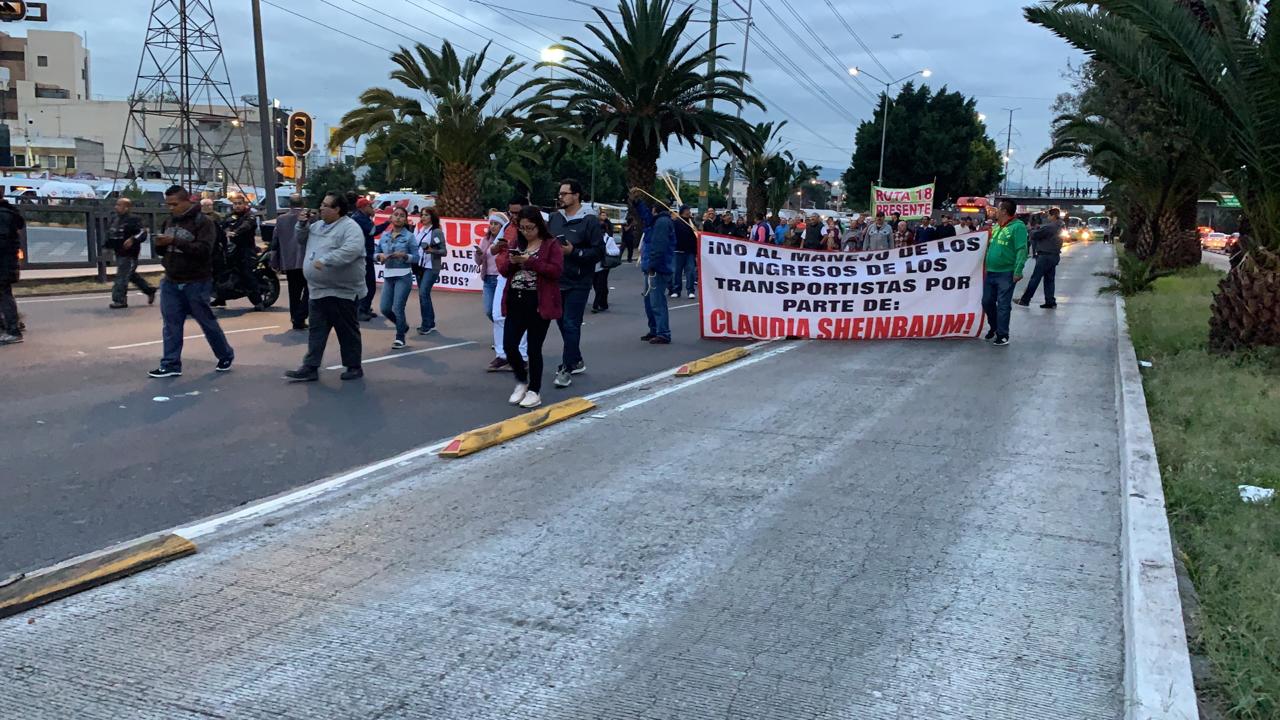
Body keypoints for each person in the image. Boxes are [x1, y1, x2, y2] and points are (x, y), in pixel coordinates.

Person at [148, 185, 234, 377]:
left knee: (207, 322)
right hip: (171, 280)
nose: (171, 208)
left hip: (196, 281)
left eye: (174, 204)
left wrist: (174, 241)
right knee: (171, 325)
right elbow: (165, 251)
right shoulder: (169, 221)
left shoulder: (203, 222)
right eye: (168, 204)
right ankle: (170, 364)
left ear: (187, 201)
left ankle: (225, 354)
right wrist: (161, 245)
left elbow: (204, 250)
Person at [284, 192, 366, 382]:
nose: (321, 208)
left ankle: (353, 366)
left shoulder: (350, 228)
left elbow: (351, 250)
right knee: (316, 329)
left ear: (337, 209)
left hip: (342, 290)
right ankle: (310, 366)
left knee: (346, 330)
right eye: (321, 204)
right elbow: (301, 239)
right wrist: (302, 224)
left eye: (325, 205)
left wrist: (327, 260)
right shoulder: (318, 226)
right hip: (318, 289)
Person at [496, 206, 564, 410]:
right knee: (509, 345)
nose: (526, 231)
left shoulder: (551, 244)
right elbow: (503, 270)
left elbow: (556, 271)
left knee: (534, 348)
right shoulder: (517, 243)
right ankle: (521, 380)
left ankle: (534, 390)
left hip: (538, 301)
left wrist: (531, 261)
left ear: (539, 226)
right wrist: (512, 262)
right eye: (523, 228)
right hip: (516, 299)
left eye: (530, 228)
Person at [548, 178, 605, 388]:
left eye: (564, 193)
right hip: (556, 279)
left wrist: (575, 252)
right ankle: (576, 359)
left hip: (579, 280)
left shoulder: (589, 221)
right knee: (562, 322)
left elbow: (599, 251)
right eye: (560, 194)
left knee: (571, 323)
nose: (561, 197)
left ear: (576, 195)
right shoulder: (554, 218)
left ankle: (566, 368)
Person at [487, 197, 530, 372]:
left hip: (523, 275)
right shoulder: (507, 227)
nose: (513, 216)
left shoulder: (533, 228)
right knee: (497, 314)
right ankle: (502, 355)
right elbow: (492, 249)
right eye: (511, 212)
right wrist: (499, 246)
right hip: (504, 274)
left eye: (517, 212)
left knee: (522, 317)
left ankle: (522, 355)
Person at [982, 199, 1029, 347]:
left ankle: (1002, 334)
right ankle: (994, 327)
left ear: (1004, 211)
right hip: (991, 272)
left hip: (1006, 273)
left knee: (1003, 304)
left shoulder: (1018, 227)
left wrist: (1018, 270)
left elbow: (1022, 249)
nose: (994, 210)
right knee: (987, 302)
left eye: (997, 208)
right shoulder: (996, 227)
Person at [634, 191, 674, 345]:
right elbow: (646, 216)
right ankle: (655, 329)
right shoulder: (658, 221)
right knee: (651, 301)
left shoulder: (662, 223)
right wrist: (638, 203)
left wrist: (652, 265)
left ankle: (663, 332)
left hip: (657, 268)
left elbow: (659, 246)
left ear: (655, 209)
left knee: (656, 301)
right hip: (653, 267)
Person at [374, 206, 417, 348]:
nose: (398, 217)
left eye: (401, 216)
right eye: (396, 215)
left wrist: (405, 256)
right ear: (391, 218)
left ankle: (400, 338)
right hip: (388, 275)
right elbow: (376, 253)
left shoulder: (409, 237)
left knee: (398, 307)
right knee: (385, 308)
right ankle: (402, 325)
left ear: (405, 220)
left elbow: (416, 257)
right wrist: (379, 256)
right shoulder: (385, 236)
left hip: (403, 275)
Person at [104, 197, 156, 309]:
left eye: (119, 205)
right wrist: (107, 246)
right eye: (116, 205)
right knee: (130, 275)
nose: (116, 207)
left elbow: (143, 232)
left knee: (122, 276)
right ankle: (149, 290)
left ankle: (119, 300)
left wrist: (133, 239)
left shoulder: (134, 219)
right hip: (119, 252)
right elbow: (111, 234)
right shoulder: (114, 219)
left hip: (130, 254)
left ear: (126, 207)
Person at [269, 194, 309, 330]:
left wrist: (274, 260)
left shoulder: (281, 219)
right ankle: (301, 315)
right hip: (306, 260)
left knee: (294, 291)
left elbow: (275, 240)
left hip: (289, 260)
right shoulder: (310, 217)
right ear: (302, 203)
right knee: (310, 290)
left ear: (289, 204)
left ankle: (295, 318)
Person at [219, 194, 265, 310]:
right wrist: (222, 231)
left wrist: (235, 232)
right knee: (222, 269)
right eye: (235, 204)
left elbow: (247, 226)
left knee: (247, 274)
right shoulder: (230, 216)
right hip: (232, 249)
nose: (237, 206)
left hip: (246, 249)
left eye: (240, 203)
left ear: (245, 204)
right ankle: (221, 297)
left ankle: (258, 302)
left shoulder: (250, 216)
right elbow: (222, 225)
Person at [1016, 207, 1063, 309]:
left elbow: (1036, 235)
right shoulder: (1060, 225)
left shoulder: (1051, 226)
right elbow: (1044, 231)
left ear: (1053, 215)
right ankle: (1050, 301)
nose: (1048, 217)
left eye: (1049, 215)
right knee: (1049, 280)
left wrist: (1030, 229)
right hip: (1054, 255)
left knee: (1035, 278)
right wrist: (1038, 227)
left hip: (1045, 255)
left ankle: (1025, 300)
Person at [412, 208, 446, 336]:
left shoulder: (436, 232)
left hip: (431, 266)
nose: (424, 217)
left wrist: (432, 250)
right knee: (423, 295)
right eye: (422, 215)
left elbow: (444, 251)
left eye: (426, 215)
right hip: (420, 266)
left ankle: (427, 324)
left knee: (423, 293)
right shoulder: (420, 230)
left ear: (432, 217)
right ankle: (429, 323)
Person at [0, 197, 26, 345]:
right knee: (4, 294)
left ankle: (13, 329)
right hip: (7, 262)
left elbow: (2, 242)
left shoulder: (2, 215)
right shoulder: (8, 212)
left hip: (4, 263)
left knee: (4, 294)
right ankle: (11, 324)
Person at [352, 197, 378, 321]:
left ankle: (365, 308)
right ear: (363, 207)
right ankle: (361, 309)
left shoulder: (362, 218)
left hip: (366, 255)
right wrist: (387, 223)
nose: (372, 209)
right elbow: (373, 231)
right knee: (368, 284)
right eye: (370, 206)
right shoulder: (359, 219)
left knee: (368, 284)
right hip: (363, 256)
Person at [669, 205, 697, 299]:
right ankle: (676, 290)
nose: (688, 212)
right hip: (678, 250)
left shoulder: (691, 223)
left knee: (691, 272)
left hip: (690, 251)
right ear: (682, 211)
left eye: (689, 210)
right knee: (677, 272)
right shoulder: (676, 222)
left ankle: (690, 291)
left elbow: (697, 235)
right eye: (687, 210)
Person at [592, 208, 616, 312]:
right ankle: (603, 302)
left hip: (604, 265)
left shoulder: (609, 239)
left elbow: (616, 251)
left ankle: (596, 305)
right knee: (596, 284)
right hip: (594, 265)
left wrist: (606, 251)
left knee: (601, 284)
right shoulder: (593, 239)